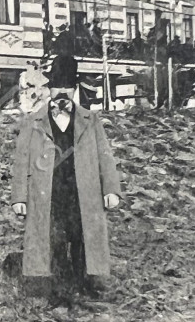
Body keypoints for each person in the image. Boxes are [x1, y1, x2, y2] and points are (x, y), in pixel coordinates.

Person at [10, 53, 122, 304]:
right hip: (49, 193)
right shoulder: (34, 121)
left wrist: (111, 189)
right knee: (55, 239)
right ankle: (59, 293)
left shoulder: (90, 120)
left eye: (68, 87)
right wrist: (19, 196)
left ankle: (84, 285)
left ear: (74, 89)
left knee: (83, 238)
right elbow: (21, 160)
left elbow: (105, 156)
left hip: (84, 192)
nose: (63, 92)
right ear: (50, 89)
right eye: (58, 87)